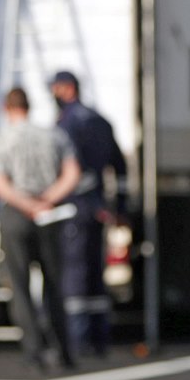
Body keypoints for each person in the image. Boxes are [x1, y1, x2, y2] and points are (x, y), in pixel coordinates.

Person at [0, 87, 82, 372]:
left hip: (18, 211)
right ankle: (64, 350)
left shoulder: (1, 139)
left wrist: (26, 204)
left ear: (6, 108)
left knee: (21, 285)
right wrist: (48, 199)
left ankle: (35, 351)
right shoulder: (54, 135)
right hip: (49, 211)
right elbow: (72, 173)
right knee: (54, 283)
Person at [51, 70, 128, 358]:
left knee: (75, 274)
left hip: (73, 207)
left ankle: (78, 338)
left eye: (56, 89)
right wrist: (119, 206)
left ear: (67, 89)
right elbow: (119, 168)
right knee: (96, 274)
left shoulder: (68, 124)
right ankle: (99, 338)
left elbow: (65, 168)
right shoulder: (100, 121)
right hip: (98, 211)